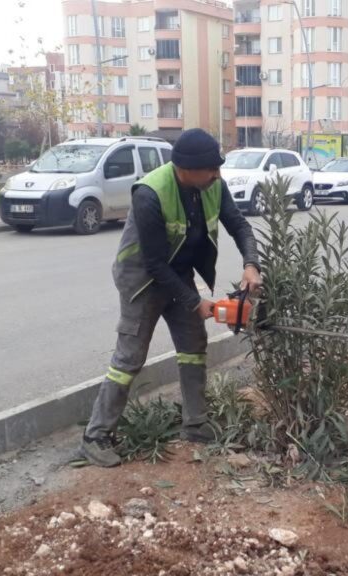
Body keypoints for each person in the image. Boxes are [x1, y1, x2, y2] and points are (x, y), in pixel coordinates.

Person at [81, 128, 262, 467]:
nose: (217, 175)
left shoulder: (212, 185)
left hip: (177, 274)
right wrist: (195, 302)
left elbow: (239, 225)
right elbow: (154, 264)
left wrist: (251, 264)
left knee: (194, 346)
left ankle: (195, 424)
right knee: (129, 358)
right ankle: (95, 436)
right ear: (186, 169)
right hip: (142, 280)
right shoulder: (149, 194)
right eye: (211, 169)